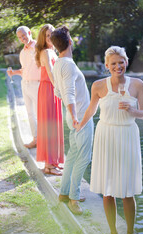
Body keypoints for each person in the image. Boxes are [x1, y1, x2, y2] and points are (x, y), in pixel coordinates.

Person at [75, 46, 143, 234]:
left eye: (121, 62)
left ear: (126, 61)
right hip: (105, 135)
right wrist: (80, 125)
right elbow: (91, 109)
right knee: (107, 190)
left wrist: (132, 111)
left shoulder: (137, 84)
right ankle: (113, 233)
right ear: (107, 66)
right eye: (113, 63)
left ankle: (130, 233)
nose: (118, 66)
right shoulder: (98, 86)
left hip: (127, 137)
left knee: (127, 191)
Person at [50, 26, 94, 215]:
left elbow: (57, 91)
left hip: (74, 116)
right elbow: (67, 92)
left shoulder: (58, 64)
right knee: (83, 157)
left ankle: (64, 193)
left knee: (74, 156)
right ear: (69, 42)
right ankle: (74, 198)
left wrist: (72, 114)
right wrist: (76, 117)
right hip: (80, 118)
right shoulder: (67, 64)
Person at [35, 24, 64, 176]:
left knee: (54, 125)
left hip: (52, 90)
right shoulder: (45, 52)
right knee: (49, 127)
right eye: (47, 35)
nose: (50, 37)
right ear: (43, 38)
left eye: (52, 34)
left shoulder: (53, 51)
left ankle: (54, 161)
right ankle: (48, 165)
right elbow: (51, 74)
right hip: (48, 90)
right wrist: (59, 90)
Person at [7, 26, 41, 149]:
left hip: (36, 85)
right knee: (30, 113)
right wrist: (13, 73)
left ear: (29, 33)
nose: (23, 39)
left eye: (24, 35)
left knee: (39, 114)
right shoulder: (22, 52)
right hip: (25, 84)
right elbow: (24, 70)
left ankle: (43, 141)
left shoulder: (38, 47)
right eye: (20, 37)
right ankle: (36, 139)